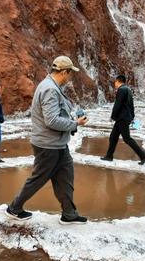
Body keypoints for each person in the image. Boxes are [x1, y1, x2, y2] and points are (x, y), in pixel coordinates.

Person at [6, 56, 89, 224]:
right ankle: (14, 208)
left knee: (65, 177)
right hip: (48, 145)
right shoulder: (50, 89)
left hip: (57, 144)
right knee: (38, 179)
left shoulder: (51, 86)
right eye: (70, 73)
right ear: (64, 72)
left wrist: (72, 120)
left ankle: (69, 214)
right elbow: (51, 120)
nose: (70, 77)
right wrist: (74, 124)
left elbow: (55, 114)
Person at [101, 75, 145, 165]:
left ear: (118, 81)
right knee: (113, 137)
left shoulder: (121, 90)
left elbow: (117, 104)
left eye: (115, 82)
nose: (114, 84)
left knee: (127, 139)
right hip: (124, 117)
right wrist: (132, 116)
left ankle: (143, 156)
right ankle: (109, 156)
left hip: (122, 118)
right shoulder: (128, 89)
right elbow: (131, 105)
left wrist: (113, 116)